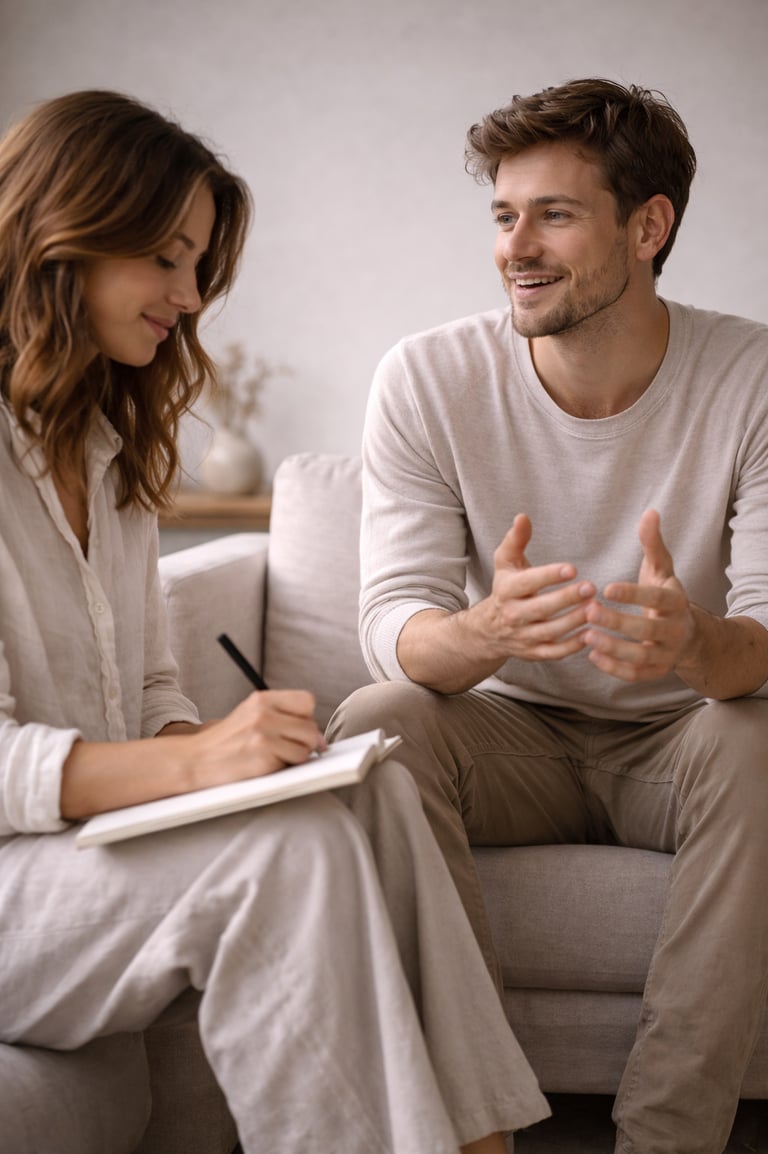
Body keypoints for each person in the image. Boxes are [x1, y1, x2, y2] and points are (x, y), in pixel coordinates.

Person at [0, 89, 551, 1154]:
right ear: (64, 231)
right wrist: (197, 765)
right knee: (283, 853)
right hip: (17, 877)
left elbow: (152, 693)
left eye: (198, 267)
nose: (190, 297)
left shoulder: (109, 451)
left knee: (377, 783)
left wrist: (232, 756)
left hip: (78, 854)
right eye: (166, 258)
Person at [327, 77, 768, 1154]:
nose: (515, 245)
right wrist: (482, 635)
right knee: (376, 719)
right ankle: (473, 1129)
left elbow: (763, 636)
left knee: (761, 738)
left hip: (681, 739)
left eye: (555, 214)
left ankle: (668, 1139)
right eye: (502, 215)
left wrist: (696, 642)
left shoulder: (753, 375)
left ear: (648, 225)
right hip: (510, 733)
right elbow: (392, 614)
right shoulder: (429, 376)